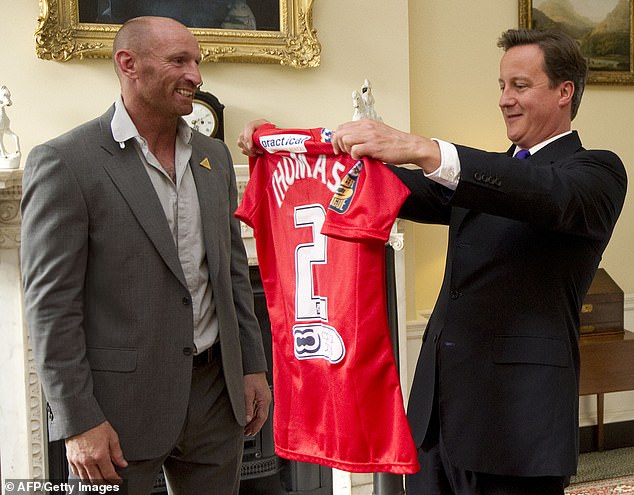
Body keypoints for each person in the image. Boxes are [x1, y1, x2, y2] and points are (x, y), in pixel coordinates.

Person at [239, 28, 627, 495]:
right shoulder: (482, 177)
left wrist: (425, 148)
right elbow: (398, 188)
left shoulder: (596, 172)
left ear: (565, 92)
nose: (504, 99)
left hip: (517, 429)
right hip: (435, 423)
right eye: (501, 86)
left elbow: (539, 193)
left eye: (520, 86)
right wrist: (289, 146)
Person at [21, 16, 271, 495]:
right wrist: (76, 421)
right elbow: (51, 308)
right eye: (179, 61)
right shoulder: (65, 162)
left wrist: (251, 367)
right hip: (116, 409)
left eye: (197, 62)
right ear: (128, 64)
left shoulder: (213, 157)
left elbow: (232, 271)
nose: (196, 76)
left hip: (216, 397)